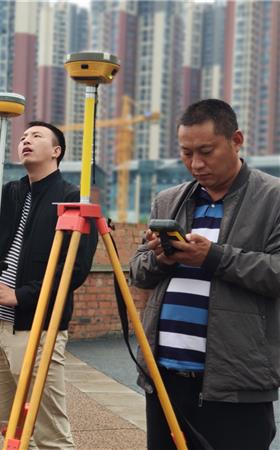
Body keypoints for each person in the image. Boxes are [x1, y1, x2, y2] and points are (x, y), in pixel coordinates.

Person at [129, 99, 280, 450]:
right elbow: (137, 272)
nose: (196, 164)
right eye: (186, 153)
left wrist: (213, 257)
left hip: (236, 382)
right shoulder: (169, 201)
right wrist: (161, 260)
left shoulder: (272, 198)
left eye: (206, 151)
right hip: (163, 377)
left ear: (236, 139)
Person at [0, 113, 98, 449]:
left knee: (48, 431)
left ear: (56, 151)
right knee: (12, 428)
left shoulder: (74, 199)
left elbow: (74, 269)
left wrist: (21, 294)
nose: (26, 140)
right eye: (22, 137)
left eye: (36, 136)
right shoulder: (11, 192)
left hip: (37, 327)